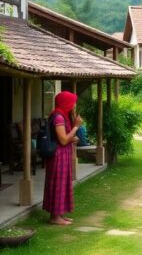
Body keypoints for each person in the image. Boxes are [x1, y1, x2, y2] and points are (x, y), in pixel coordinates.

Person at [42, 91, 82, 225]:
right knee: (58, 184)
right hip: (58, 156)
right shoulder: (58, 117)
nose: (73, 106)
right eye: (72, 103)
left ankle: (60, 214)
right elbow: (63, 140)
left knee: (63, 183)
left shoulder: (63, 116)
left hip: (63, 155)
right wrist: (76, 127)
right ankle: (54, 217)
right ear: (66, 103)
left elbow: (66, 138)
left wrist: (72, 138)